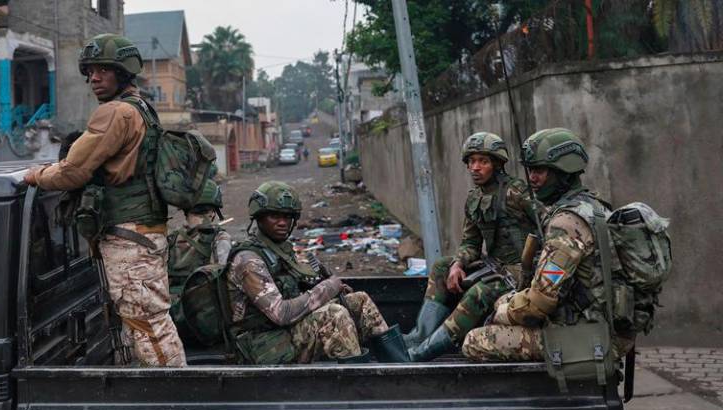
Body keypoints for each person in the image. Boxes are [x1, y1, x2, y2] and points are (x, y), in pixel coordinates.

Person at [23, 34, 186, 366]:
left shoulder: (116, 113)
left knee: (148, 326)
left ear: (122, 72)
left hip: (129, 239)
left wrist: (34, 175)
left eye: (103, 70)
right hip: (142, 233)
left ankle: (176, 400)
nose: (93, 78)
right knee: (144, 325)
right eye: (90, 72)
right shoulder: (142, 108)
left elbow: (72, 173)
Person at [462, 128, 634, 362]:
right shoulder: (592, 206)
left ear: (563, 173)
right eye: (530, 170)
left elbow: (539, 303)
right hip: (596, 320)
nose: (532, 178)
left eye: (540, 171)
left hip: (589, 334)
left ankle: (529, 396)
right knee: (505, 301)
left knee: (476, 340)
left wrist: (501, 313)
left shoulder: (566, 223)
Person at [226, 181, 409, 364]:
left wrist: (327, 289)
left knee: (360, 301)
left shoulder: (279, 251)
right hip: (263, 345)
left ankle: (402, 369)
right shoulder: (248, 260)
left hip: (284, 334)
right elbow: (281, 313)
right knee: (335, 315)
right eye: (274, 216)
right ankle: (357, 385)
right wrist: (327, 288)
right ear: (259, 217)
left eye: (288, 216)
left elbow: (295, 291)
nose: (282, 222)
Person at [406, 132, 539, 362]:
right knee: (441, 266)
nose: (475, 167)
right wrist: (458, 264)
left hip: (521, 271)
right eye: (471, 162)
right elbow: (471, 242)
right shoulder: (474, 199)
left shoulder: (516, 192)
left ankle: (424, 351)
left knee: (480, 293)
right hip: (495, 265)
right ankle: (419, 336)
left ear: (496, 165)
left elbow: (545, 225)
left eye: (483, 161)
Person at [167, 179, 232, 299]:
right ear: (213, 213)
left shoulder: (171, 238)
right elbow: (222, 279)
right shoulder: (220, 238)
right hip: (201, 304)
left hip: (171, 305)